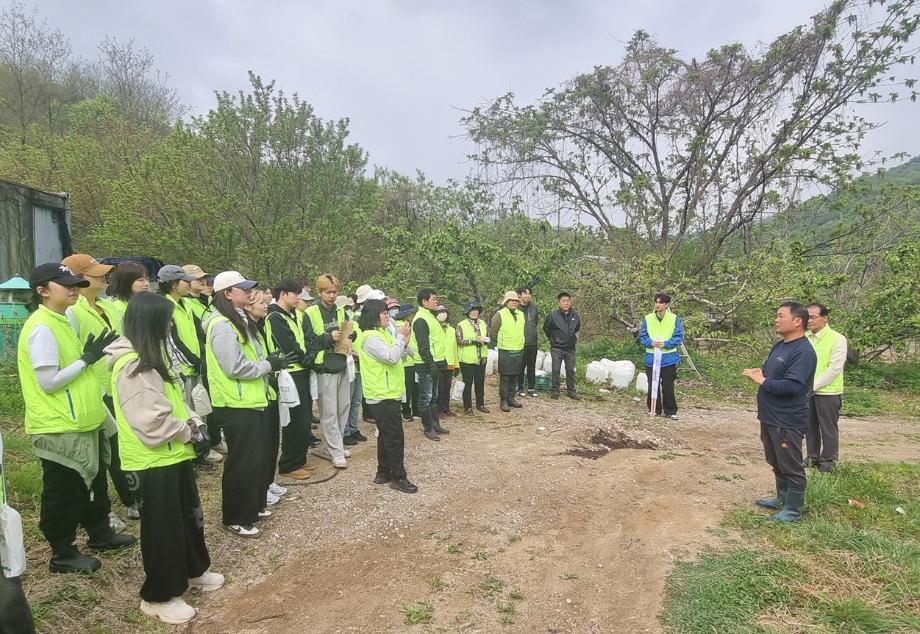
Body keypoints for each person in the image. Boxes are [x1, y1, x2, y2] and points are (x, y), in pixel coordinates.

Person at [105, 292, 223, 625]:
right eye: (167, 319)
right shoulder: (133, 366)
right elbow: (151, 421)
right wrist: (188, 432)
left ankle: (193, 570)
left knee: (188, 516)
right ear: (152, 322)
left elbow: (174, 401)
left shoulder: (152, 357)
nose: (171, 324)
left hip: (173, 454)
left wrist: (194, 423)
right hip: (151, 461)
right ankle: (158, 596)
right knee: (163, 530)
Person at [17, 263, 135, 573]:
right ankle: (62, 551)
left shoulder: (63, 319)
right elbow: (49, 381)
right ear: (43, 291)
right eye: (65, 284)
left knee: (93, 482)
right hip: (59, 426)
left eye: (75, 284)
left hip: (84, 419)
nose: (74, 289)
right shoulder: (41, 326)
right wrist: (86, 359)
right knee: (64, 489)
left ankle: (100, 532)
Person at [204, 271, 295, 537]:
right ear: (227, 293)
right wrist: (268, 366)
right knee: (241, 463)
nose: (248, 292)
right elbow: (233, 366)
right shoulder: (221, 324)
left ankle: (252, 507)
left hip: (251, 399)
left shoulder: (239, 319)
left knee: (254, 459)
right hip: (235, 403)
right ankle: (235, 516)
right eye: (242, 288)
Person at [62, 254, 141, 528]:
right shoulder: (73, 312)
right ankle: (105, 510)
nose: (102, 276)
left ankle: (131, 498)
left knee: (122, 446)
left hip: (118, 384)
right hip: (93, 391)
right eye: (94, 272)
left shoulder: (107, 307)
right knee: (103, 453)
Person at [742, 302, 817, 522]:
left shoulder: (803, 351)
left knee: (791, 464)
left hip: (788, 419)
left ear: (797, 321)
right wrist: (760, 372)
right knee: (775, 459)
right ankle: (781, 498)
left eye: (780, 315)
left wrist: (762, 380)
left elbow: (793, 386)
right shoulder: (780, 346)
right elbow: (773, 374)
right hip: (769, 415)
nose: (776, 319)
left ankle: (793, 510)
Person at [157, 265, 222, 467]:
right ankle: (193, 455)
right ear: (174, 284)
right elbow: (172, 341)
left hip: (192, 367)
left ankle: (200, 450)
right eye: (185, 281)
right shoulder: (165, 306)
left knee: (197, 412)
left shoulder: (183, 303)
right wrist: (193, 361)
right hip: (181, 369)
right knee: (185, 414)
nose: (189, 284)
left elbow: (196, 333)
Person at [356, 299, 418, 493]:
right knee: (394, 437)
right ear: (375, 315)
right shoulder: (371, 338)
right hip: (381, 394)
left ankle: (383, 472)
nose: (388, 317)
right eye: (385, 314)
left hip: (389, 392)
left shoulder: (382, 333)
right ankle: (399, 477)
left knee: (385, 434)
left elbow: (403, 353)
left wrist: (404, 342)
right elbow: (391, 357)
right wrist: (400, 338)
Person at [265, 279, 319, 480]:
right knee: (294, 418)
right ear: (283, 295)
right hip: (289, 372)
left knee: (304, 417)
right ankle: (288, 464)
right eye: (296, 294)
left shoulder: (293, 314)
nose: (298, 298)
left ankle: (299, 457)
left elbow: (304, 338)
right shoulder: (274, 316)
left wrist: (310, 355)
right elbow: (286, 344)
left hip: (301, 370)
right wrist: (305, 359)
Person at [246, 290, 292, 506]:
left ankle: (268, 481)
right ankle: (260, 487)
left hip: (268, 388)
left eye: (266, 302)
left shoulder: (261, 326)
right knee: (261, 444)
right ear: (248, 306)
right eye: (261, 303)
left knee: (273, 440)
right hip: (255, 392)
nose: (266, 306)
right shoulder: (246, 329)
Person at [304, 274, 353, 468]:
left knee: (344, 408)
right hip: (324, 366)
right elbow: (307, 341)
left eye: (334, 292)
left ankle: (336, 444)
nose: (332, 295)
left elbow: (348, 330)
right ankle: (335, 450)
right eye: (328, 292)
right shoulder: (311, 312)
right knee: (329, 412)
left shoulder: (341, 311)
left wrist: (351, 335)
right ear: (320, 292)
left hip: (341, 362)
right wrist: (328, 338)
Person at [805, 303, 848, 473]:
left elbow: (835, 368)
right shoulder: (805, 337)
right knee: (810, 425)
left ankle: (828, 460)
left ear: (824, 318)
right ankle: (812, 456)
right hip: (807, 391)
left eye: (813, 317)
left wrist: (813, 385)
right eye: (807, 317)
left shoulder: (837, 338)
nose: (810, 320)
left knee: (828, 427)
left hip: (828, 392)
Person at [639, 293, 684, 419]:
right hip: (651, 357)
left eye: (661, 302)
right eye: (656, 302)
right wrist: (651, 343)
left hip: (668, 358)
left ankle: (670, 411)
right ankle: (654, 409)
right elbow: (642, 336)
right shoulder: (648, 318)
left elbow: (678, 336)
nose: (658, 305)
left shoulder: (674, 318)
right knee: (652, 384)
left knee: (668, 385)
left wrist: (666, 344)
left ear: (667, 305)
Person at [413, 288, 450, 440]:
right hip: (425, 364)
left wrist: (442, 360)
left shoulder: (430, 316)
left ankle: (435, 424)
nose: (437, 301)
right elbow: (423, 346)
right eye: (434, 299)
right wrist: (431, 364)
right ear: (424, 301)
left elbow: (437, 341)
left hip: (436, 362)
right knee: (426, 397)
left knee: (434, 396)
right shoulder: (421, 319)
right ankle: (428, 428)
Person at [543, 292, 582, 401]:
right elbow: (546, 328)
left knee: (570, 370)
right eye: (563, 301)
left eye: (568, 301)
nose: (566, 303)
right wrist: (553, 339)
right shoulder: (553, 315)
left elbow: (578, 328)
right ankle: (555, 390)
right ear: (559, 302)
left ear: (570, 302)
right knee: (556, 370)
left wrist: (575, 338)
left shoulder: (575, 315)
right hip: (557, 347)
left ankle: (571, 391)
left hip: (570, 348)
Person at [344, 292, 372, 444]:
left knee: (356, 401)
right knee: (347, 401)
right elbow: (343, 346)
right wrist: (356, 356)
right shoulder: (349, 325)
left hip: (361, 368)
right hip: (350, 368)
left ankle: (353, 428)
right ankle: (346, 431)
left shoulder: (360, 327)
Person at [491, 291, 525, 412]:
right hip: (505, 349)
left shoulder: (521, 314)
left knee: (515, 376)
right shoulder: (499, 314)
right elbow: (493, 333)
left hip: (518, 349)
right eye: (512, 300)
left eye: (516, 301)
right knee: (505, 377)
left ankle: (511, 398)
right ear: (506, 302)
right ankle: (503, 400)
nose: (514, 302)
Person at [456, 301, 490, 415]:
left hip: (482, 358)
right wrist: (473, 341)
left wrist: (485, 340)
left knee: (480, 382)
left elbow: (488, 337)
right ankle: (468, 406)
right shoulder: (461, 325)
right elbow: (459, 341)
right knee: (468, 383)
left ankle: (480, 404)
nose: (475, 312)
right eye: (472, 310)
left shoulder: (483, 323)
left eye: (476, 310)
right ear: (467, 312)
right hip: (467, 359)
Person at [395, 303, 420, 421]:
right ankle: (405, 411)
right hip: (405, 362)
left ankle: (413, 410)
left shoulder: (411, 325)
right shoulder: (401, 326)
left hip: (412, 361)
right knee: (407, 388)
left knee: (414, 387)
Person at [516, 286, 540, 398]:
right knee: (520, 366)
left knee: (531, 366)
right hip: (520, 342)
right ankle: (519, 387)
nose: (528, 296)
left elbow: (536, 322)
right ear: (520, 295)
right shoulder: (516, 308)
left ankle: (531, 387)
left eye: (529, 294)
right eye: (525, 293)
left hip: (532, 342)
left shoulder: (534, 308)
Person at [436, 305, 458, 417]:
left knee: (447, 387)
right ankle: (438, 409)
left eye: (444, 312)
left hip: (449, 362)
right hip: (438, 362)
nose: (442, 314)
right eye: (439, 312)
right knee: (439, 387)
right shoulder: (434, 328)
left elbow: (454, 348)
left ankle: (446, 408)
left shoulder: (452, 330)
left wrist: (456, 365)